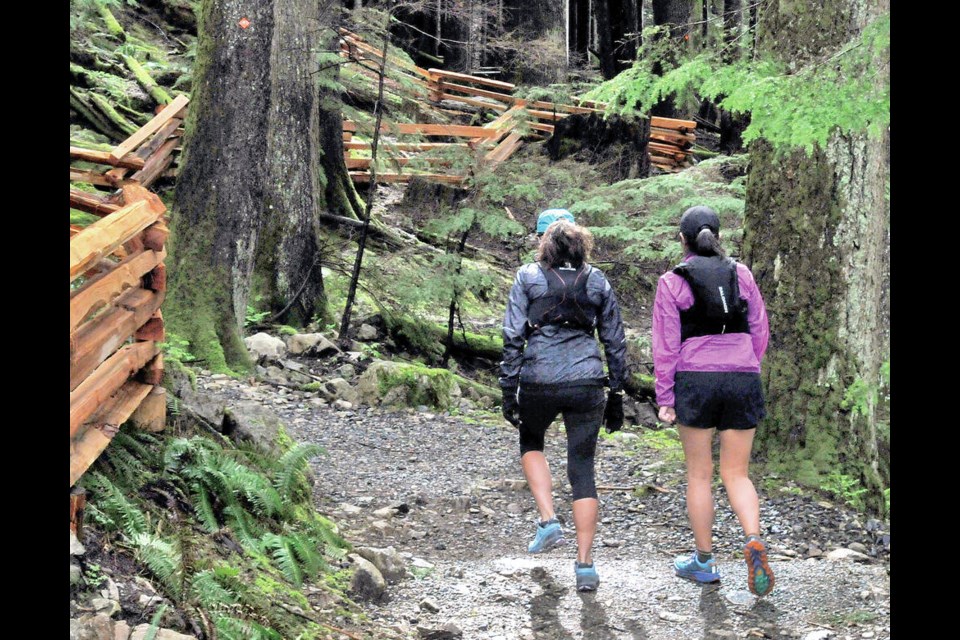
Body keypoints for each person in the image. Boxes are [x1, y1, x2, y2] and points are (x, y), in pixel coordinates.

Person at [499, 210, 628, 592]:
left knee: (531, 441)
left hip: (539, 378)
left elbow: (512, 336)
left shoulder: (527, 277)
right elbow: (615, 340)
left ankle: (548, 520)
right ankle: (585, 566)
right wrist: (617, 392)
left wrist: (509, 388)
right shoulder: (598, 280)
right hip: (587, 381)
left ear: (544, 243)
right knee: (582, 468)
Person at [651, 205, 775, 597]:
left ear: (682, 240)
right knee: (737, 473)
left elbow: (666, 345)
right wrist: (747, 363)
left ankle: (703, 562)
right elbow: (759, 327)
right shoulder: (742, 274)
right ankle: (753, 539)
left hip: (696, 379)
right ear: (717, 236)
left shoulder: (672, 281)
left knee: (699, 474)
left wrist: (665, 396)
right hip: (742, 376)